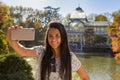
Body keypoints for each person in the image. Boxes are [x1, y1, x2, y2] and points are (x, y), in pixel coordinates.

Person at [6, 21, 90, 80]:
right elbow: (22, 51)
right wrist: (11, 40)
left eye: (57, 36)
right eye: (50, 36)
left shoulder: (70, 58)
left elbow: (86, 78)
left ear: (63, 37)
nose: (54, 39)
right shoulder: (41, 52)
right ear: (47, 37)